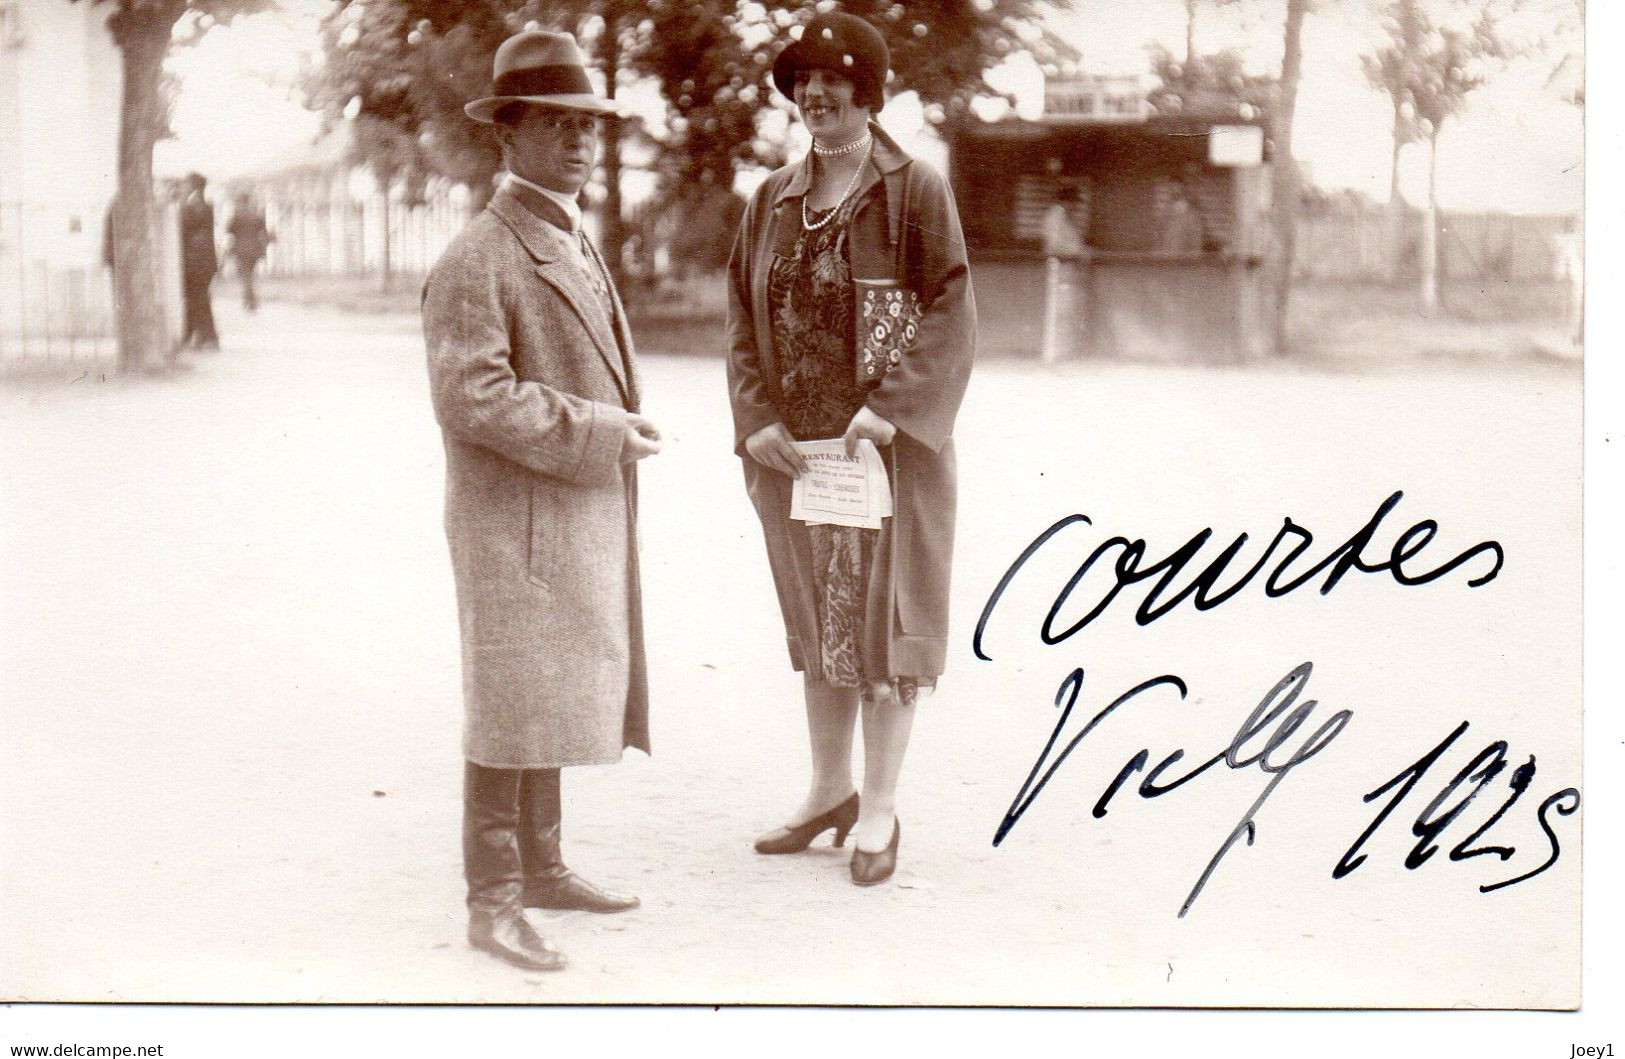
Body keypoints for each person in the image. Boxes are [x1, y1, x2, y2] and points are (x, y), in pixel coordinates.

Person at [422, 29, 662, 973]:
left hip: (560, 507)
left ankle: (545, 865)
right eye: (555, 124)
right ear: (506, 135)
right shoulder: (481, 253)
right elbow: (470, 395)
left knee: (551, 686)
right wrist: (603, 434)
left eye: (589, 126)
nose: (578, 142)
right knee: (511, 697)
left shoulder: (565, 232)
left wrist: (609, 433)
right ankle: (494, 899)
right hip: (513, 517)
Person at [726, 10, 975, 887]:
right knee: (817, 626)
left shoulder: (912, 190)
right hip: (798, 460)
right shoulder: (771, 200)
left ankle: (877, 808)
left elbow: (950, 309)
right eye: (804, 83)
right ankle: (827, 789)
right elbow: (740, 323)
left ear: (868, 96)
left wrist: (893, 411)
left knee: (882, 635)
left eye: (835, 82)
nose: (817, 95)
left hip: (883, 458)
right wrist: (755, 420)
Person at [178, 172, 219, 350]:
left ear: (193, 186)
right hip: (203, 261)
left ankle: (206, 337)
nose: (182, 188)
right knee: (197, 298)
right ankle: (197, 336)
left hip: (195, 262)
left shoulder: (193, 208)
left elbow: (183, 228)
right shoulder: (203, 206)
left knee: (198, 298)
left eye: (185, 184)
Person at [226, 193, 273, 312]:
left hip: (240, 250)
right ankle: (250, 300)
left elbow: (229, 230)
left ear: (241, 202)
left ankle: (250, 301)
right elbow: (264, 232)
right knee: (249, 274)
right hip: (255, 250)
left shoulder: (237, 216)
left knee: (245, 276)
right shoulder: (256, 215)